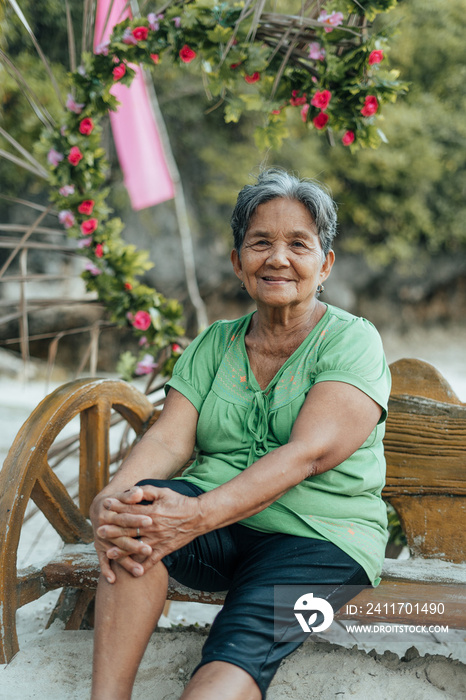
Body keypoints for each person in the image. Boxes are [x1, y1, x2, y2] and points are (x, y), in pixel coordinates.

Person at [90, 168, 391, 700]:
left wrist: (196, 516)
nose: (278, 258)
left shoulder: (352, 342)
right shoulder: (216, 342)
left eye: (299, 244)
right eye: (260, 243)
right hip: (218, 526)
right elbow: (168, 441)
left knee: (231, 660)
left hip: (318, 536)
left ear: (326, 265)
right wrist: (114, 500)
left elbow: (307, 455)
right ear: (238, 262)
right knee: (132, 520)